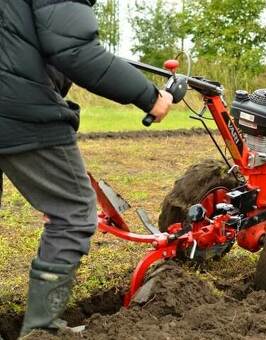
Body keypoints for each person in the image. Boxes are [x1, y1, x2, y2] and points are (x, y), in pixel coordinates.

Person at [0, 0, 173, 336]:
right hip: (15, 105)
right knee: (74, 212)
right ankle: (41, 330)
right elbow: (74, 49)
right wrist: (150, 96)